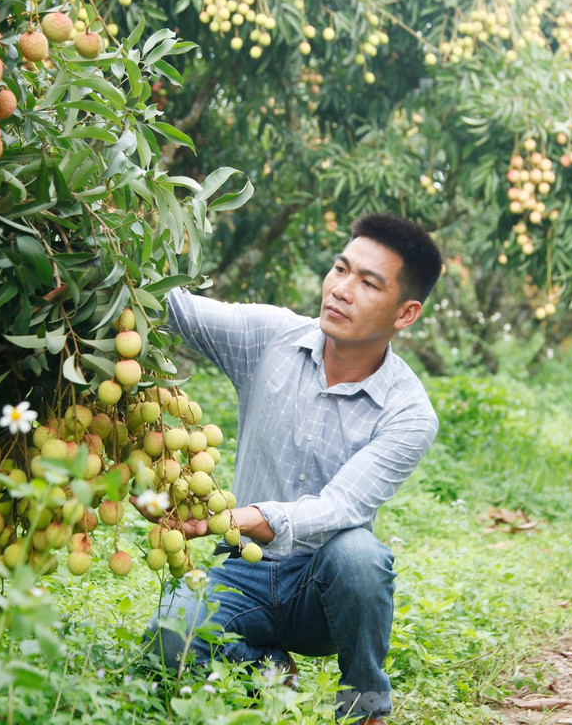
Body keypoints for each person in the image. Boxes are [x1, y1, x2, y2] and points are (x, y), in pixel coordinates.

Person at [145, 212, 443, 724]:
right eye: (340, 269)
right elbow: (172, 308)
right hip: (242, 569)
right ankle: (265, 665)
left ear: (405, 312)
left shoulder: (409, 412)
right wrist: (100, 235)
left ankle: (365, 704)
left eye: (368, 283)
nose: (342, 290)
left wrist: (242, 517)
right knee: (169, 646)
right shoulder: (271, 338)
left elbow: (340, 506)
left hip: (322, 590)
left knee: (360, 556)